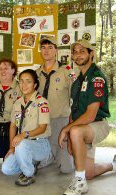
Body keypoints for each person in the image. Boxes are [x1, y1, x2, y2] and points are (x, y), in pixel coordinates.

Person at [58, 39, 116, 195]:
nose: (78, 55)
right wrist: (71, 133)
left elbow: (91, 114)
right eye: (75, 52)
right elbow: (74, 111)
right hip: (82, 128)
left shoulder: (97, 78)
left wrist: (68, 130)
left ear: (91, 54)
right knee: (89, 172)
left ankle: (79, 182)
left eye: (82, 51)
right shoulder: (77, 81)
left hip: (98, 125)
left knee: (76, 133)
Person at [2, 69, 51, 186]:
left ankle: (29, 174)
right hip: (22, 144)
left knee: (21, 143)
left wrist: (23, 135)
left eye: (28, 81)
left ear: (35, 85)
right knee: (6, 169)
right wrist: (11, 148)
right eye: (21, 81)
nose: (24, 85)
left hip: (40, 144)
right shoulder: (17, 103)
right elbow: (13, 126)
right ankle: (30, 165)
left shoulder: (42, 102)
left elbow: (43, 128)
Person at [36, 36, 78, 173]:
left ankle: (55, 155)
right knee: (36, 161)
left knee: (66, 169)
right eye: (43, 47)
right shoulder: (36, 74)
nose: (46, 51)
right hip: (41, 122)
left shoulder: (67, 71)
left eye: (50, 47)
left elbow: (76, 96)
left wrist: (72, 122)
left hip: (60, 121)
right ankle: (49, 155)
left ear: (56, 50)